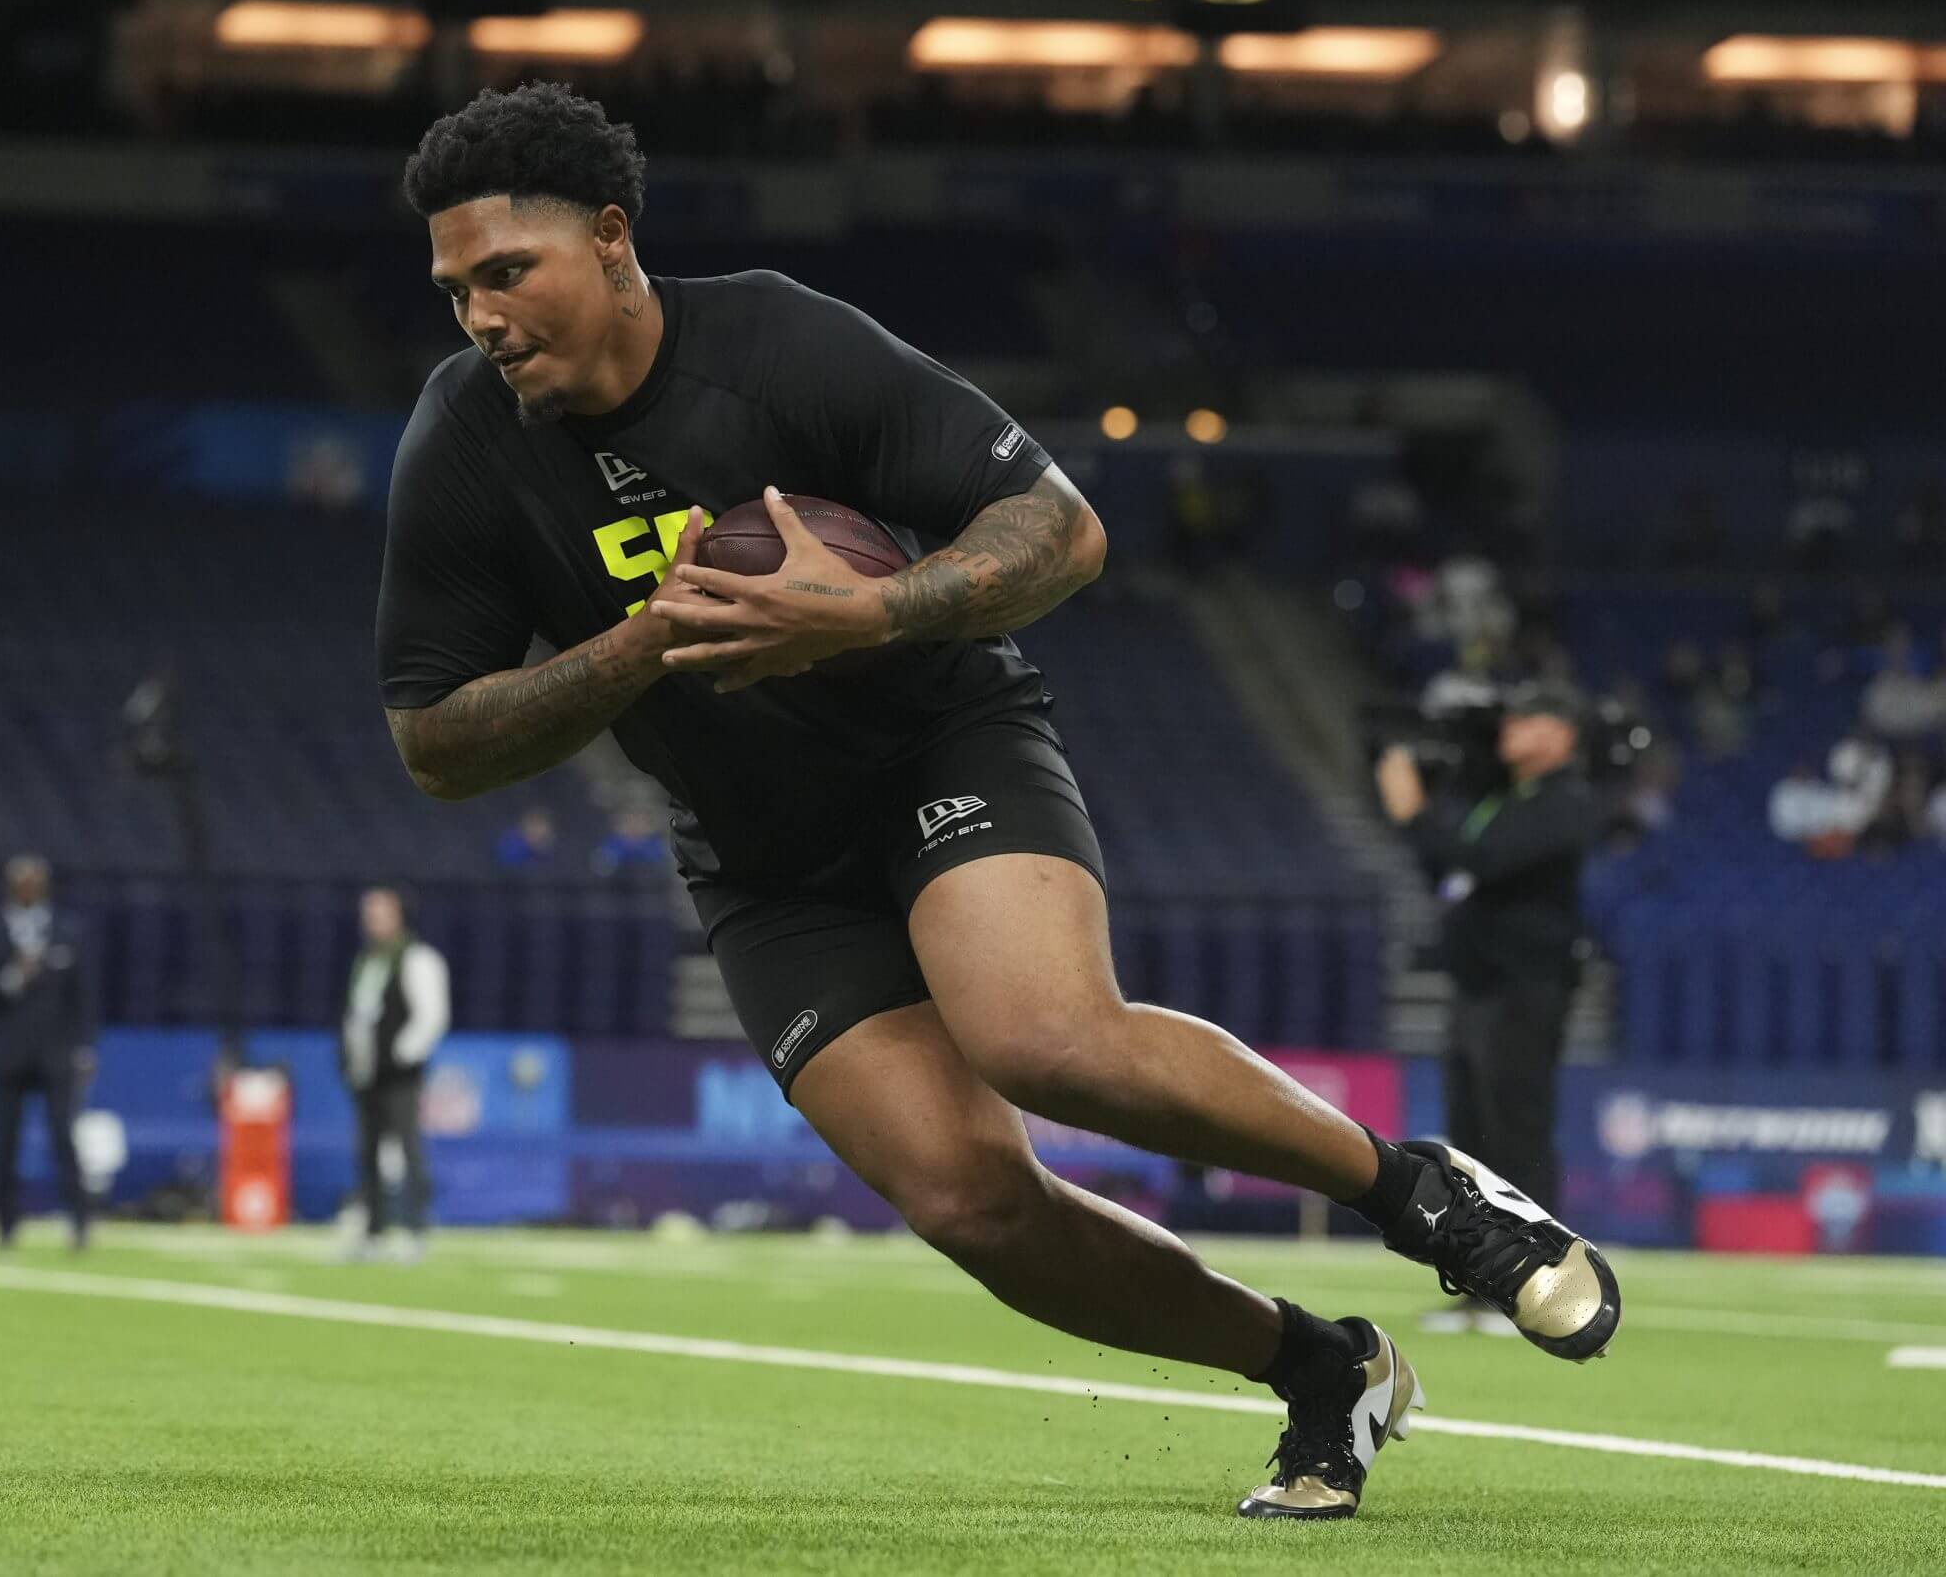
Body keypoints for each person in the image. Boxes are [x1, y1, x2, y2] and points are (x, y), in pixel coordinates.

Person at [377, 82, 1618, 1521]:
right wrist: (642, 638)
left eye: (505, 272)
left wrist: (875, 609)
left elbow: (1060, 529)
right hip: (768, 859)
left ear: (608, 238)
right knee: (969, 1199)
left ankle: (1429, 1199)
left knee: (1042, 1038)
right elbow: (434, 739)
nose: (478, 313)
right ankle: (1320, 1366)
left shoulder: (777, 342)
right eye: (456, 286)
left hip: (932, 741)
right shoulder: (462, 442)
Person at [1376, 682, 1604, 1334]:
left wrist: (1413, 812)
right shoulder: (1503, 795)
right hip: (1477, 987)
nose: (1510, 726)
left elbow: (1483, 857)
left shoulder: (1567, 799)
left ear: (1562, 733)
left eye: (1529, 717)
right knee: (1472, 1144)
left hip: (1526, 987)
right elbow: (1449, 868)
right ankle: (1483, 1287)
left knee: (1517, 1133)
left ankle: (1542, 1285)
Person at [0, 855, 96, 1250]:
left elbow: (84, 996)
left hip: (55, 1052)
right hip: (8, 1052)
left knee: (63, 1139)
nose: (28, 887)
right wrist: (12, 977)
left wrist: (85, 1047)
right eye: (22, 880)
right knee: (4, 1143)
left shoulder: (69, 930)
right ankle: (4, 1225)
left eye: (35, 879)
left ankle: (78, 1223)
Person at [338, 885, 450, 1261]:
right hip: (366, 1073)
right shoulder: (367, 960)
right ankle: (374, 1230)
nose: (371, 920)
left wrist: (400, 1056)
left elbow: (431, 1016)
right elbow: (358, 1017)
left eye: (379, 911)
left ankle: (416, 1228)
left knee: (408, 1147)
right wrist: (354, 1061)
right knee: (366, 1152)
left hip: (399, 1074)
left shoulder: (417, 958)